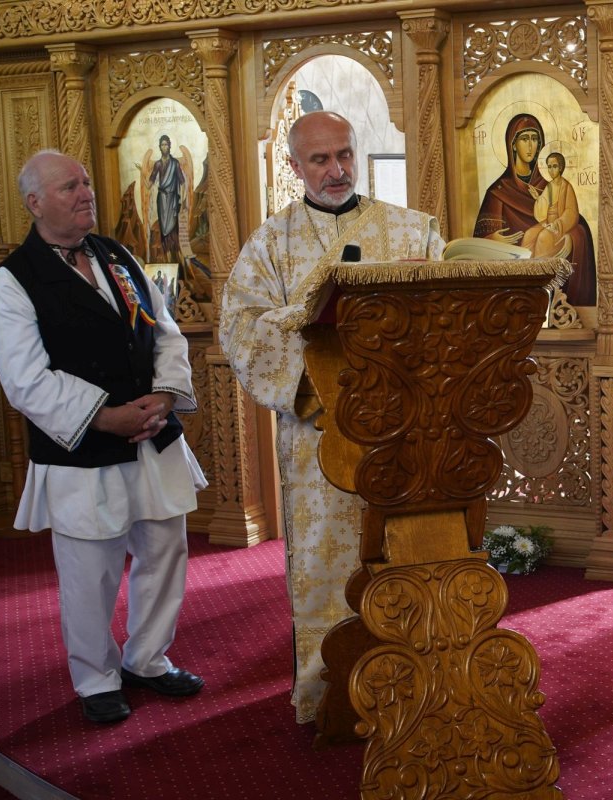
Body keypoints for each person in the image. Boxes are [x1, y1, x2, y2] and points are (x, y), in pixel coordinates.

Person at [219, 110, 445, 725]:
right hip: (320, 441)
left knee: (411, 556)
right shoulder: (271, 245)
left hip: (406, 437)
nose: (336, 169)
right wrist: (317, 395)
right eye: (319, 160)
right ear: (294, 167)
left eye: (344, 154)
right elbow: (242, 329)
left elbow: (445, 318)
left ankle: (419, 688)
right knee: (326, 566)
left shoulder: (412, 231)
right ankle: (331, 698)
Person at [0, 150, 207, 723]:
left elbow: (166, 331)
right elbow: (26, 381)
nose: (86, 193)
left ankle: (148, 660)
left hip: (152, 434)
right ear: (35, 202)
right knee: (91, 569)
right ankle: (95, 678)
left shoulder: (117, 254)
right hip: (82, 447)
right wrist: (107, 417)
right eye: (69, 187)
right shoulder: (12, 282)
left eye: (86, 182)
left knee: (165, 549)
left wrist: (163, 395)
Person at [474, 113, 597, 306]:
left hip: (554, 281)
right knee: (532, 236)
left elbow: (574, 218)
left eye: (535, 139)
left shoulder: (552, 186)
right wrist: (492, 240)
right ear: (513, 144)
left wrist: (571, 236)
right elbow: (477, 243)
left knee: (542, 238)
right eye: (524, 139)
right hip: (509, 296)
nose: (531, 145)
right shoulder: (498, 191)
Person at [522, 151, 577, 259]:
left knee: (543, 237)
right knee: (528, 235)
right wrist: (537, 198)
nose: (551, 170)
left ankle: (541, 272)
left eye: (554, 166)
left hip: (559, 225)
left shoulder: (566, 187)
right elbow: (544, 205)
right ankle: (527, 271)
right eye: (549, 167)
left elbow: (571, 212)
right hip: (547, 222)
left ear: (561, 167)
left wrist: (557, 224)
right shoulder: (550, 186)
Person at [148, 134, 188, 262]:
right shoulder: (158, 164)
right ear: (160, 147)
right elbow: (150, 183)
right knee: (163, 229)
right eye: (162, 145)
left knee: (173, 230)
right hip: (162, 200)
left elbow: (182, 182)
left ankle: (175, 257)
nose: (164, 147)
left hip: (172, 200)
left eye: (166, 144)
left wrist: (182, 198)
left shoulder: (175, 163)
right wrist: (141, 173)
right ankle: (165, 256)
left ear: (170, 146)